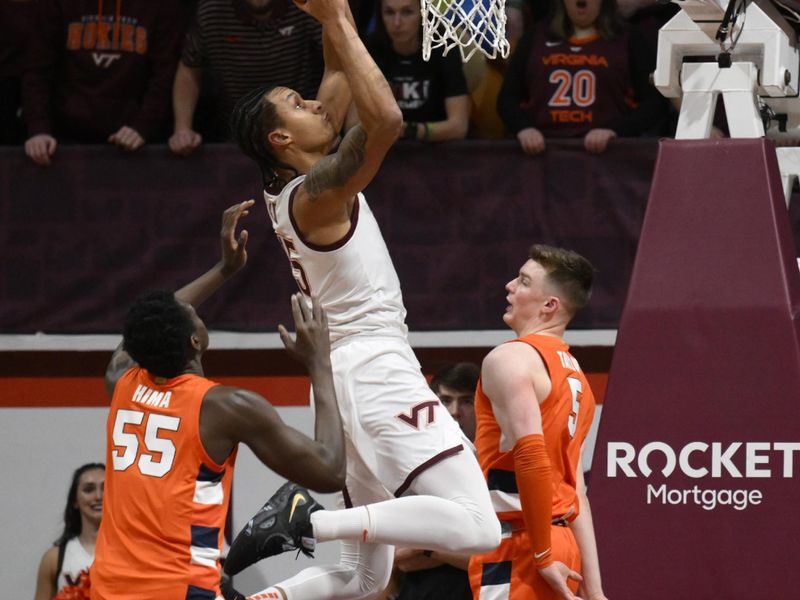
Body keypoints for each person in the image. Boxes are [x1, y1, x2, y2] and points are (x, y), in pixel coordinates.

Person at [223, 0, 500, 596]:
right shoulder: (317, 193)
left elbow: (341, 77)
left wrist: (335, 14)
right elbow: (387, 123)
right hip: (375, 369)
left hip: (348, 376)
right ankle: (307, 521)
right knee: (480, 528)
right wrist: (338, 22)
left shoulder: (292, 180)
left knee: (359, 577)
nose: (315, 104)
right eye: (297, 106)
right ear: (280, 137)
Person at [88, 200, 345, 600]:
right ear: (195, 341)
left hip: (108, 587)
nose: (193, 309)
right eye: (192, 315)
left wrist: (225, 269)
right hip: (179, 589)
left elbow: (152, 321)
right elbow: (330, 471)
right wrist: (320, 365)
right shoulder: (225, 407)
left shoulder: (121, 380)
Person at [468, 245, 608, 600]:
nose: (509, 286)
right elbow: (577, 493)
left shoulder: (511, 358)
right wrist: (595, 589)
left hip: (522, 545)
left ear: (550, 305)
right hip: (561, 542)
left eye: (524, 281)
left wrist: (543, 554)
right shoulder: (578, 380)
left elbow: (531, 457)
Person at [22, 0, 183, 166]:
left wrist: (144, 125)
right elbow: (38, 70)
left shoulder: (162, 6)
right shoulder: (56, 4)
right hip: (66, 135)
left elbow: (164, 74)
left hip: (136, 138)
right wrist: (38, 129)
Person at [497, 0, 666, 155]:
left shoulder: (629, 39)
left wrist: (615, 130)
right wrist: (523, 128)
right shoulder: (535, 37)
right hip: (542, 153)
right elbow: (507, 98)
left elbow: (654, 102)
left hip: (607, 158)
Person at [169, 0, 324, 156]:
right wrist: (182, 128)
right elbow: (189, 68)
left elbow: (337, 66)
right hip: (237, 141)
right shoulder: (211, 11)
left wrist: (331, 123)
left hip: (303, 133)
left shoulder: (306, 5)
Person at [390, 362, 483, 600]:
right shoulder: (415, 468)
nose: (454, 412)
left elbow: (496, 558)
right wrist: (461, 548)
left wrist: (427, 548)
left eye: (466, 401)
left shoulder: (501, 470)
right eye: (445, 401)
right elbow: (402, 558)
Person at [357, 0, 470, 143]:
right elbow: (353, 125)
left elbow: (459, 126)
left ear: (424, 14)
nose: (397, 23)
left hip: (436, 149)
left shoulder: (444, 48)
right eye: (390, 12)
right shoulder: (369, 51)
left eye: (407, 12)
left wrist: (412, 131)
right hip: (386, 150)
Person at [34, 463, 104, 600]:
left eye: (106, 488)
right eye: (89, 489)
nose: (99, 496)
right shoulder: (54, 558)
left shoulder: (132, 554)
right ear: (75, 501)